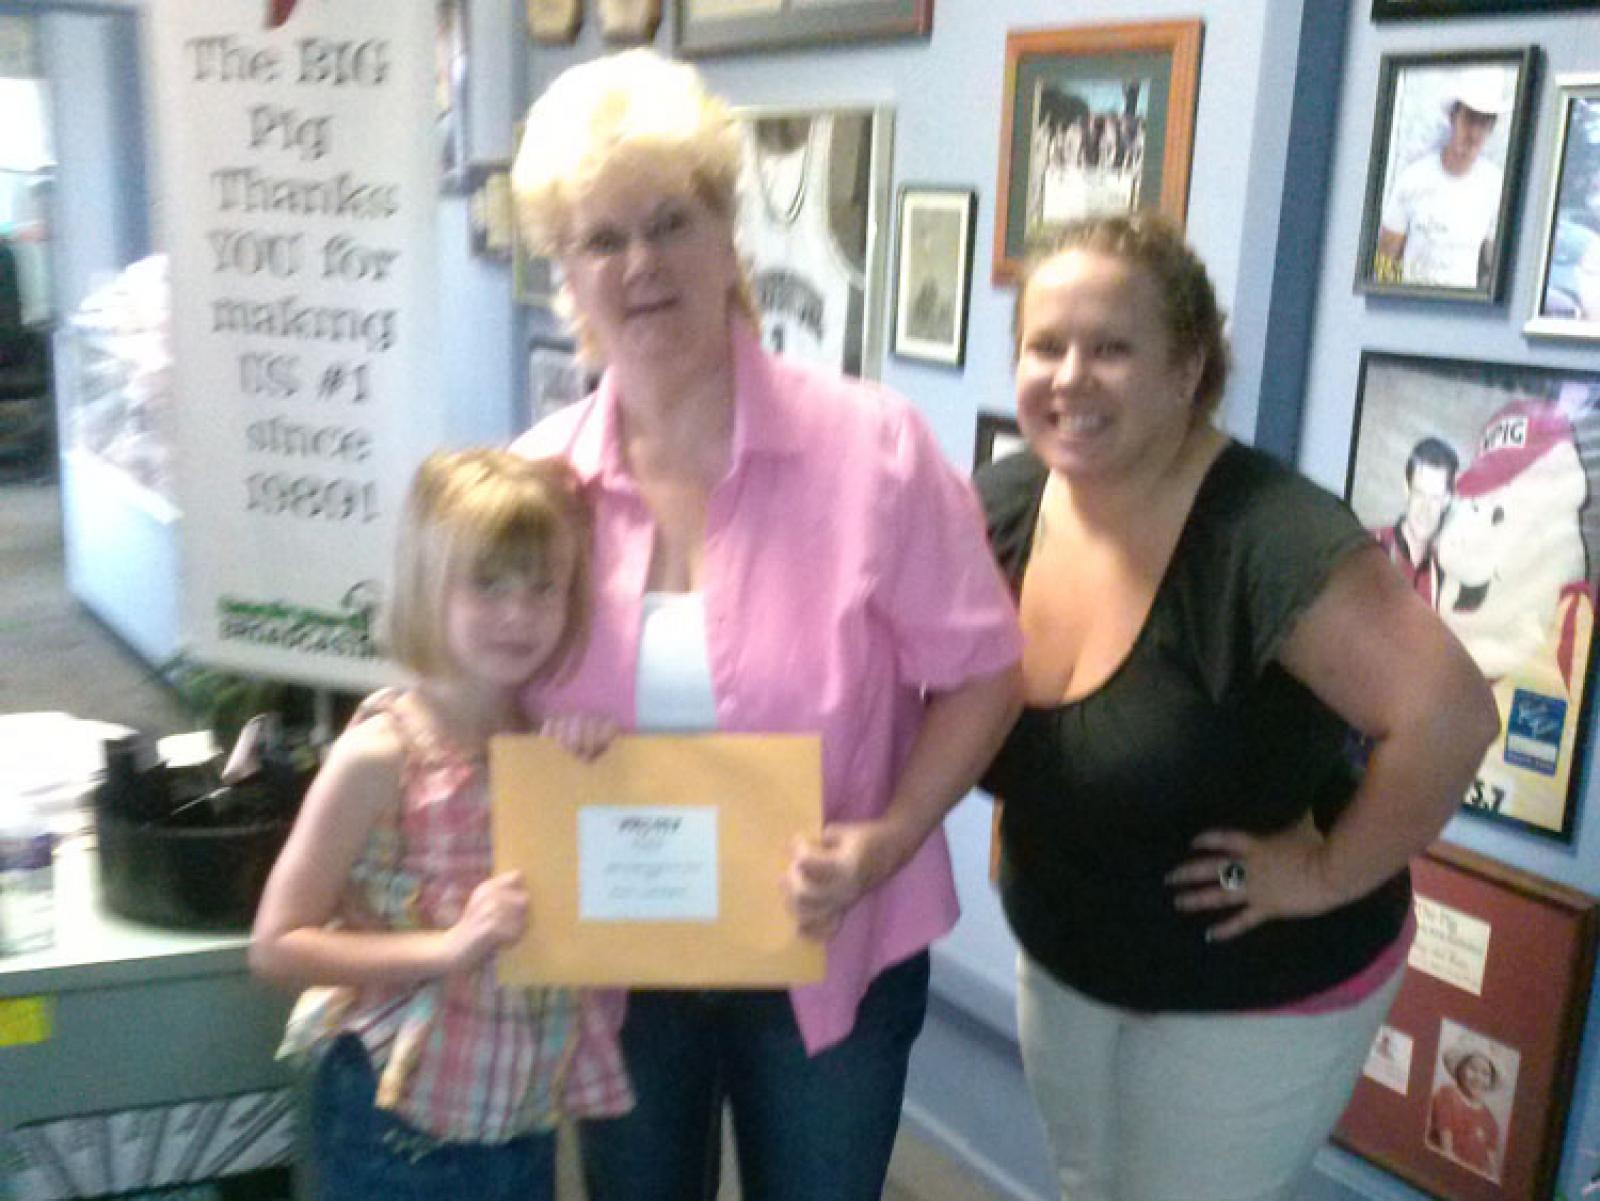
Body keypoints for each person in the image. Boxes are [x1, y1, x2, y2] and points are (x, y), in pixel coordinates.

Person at [508, 48, 1023, 1201]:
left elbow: (986, 671)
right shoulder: (532, 487)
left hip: (834, 938)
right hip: (622, 957)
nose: (641, 264)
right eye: (601, 239)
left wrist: (890, 835)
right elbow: (480, 696)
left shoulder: (873, 450)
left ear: (726, 232)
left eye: (670, 222)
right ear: (565, 272)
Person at [977, 212, 1498, 1201]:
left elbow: (1450, 717)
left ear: (1188, 370)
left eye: (1111, 348)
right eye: (1045, 346)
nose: (1070, 377)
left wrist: (1325, 871)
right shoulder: (1003, 505)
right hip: (1066, 953)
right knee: (1086, 1188)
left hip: (1254, 989)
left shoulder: (1266, 536)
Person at [249, 450, 631, 1201]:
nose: (518, 614)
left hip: (517, 1112)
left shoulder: (544, 749)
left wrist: (594, 774)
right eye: (488, 584)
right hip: (396, 1116)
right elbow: (276, 944)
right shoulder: (382, 753)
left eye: (543, 587)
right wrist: (450, 946)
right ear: (430, 585)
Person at [1375, 67, 1512, 289]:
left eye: (1484, 122)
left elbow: (1495, 269)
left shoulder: (1496, 187)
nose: (1474, 133)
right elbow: (1385, 261)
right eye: (1470, 118)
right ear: (1453, 117)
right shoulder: (1413, 179)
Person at [1373, 436, 1459, 606]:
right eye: (1420, 494)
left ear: (1447, 500)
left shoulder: (1445, 578)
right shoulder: (1369, 551)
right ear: (1407, 490)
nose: (1425, 509)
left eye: (1435, 498)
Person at [1427, 1045, 1504, 1179]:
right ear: (1460, 1070)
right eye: (1473, 1069)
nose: (1478, 1077)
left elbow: (1491, 1163)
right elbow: (1446, 1151)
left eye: (1485, 1074)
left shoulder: (1490, 1120)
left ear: (1490, 1081)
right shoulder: (1447, 1096)